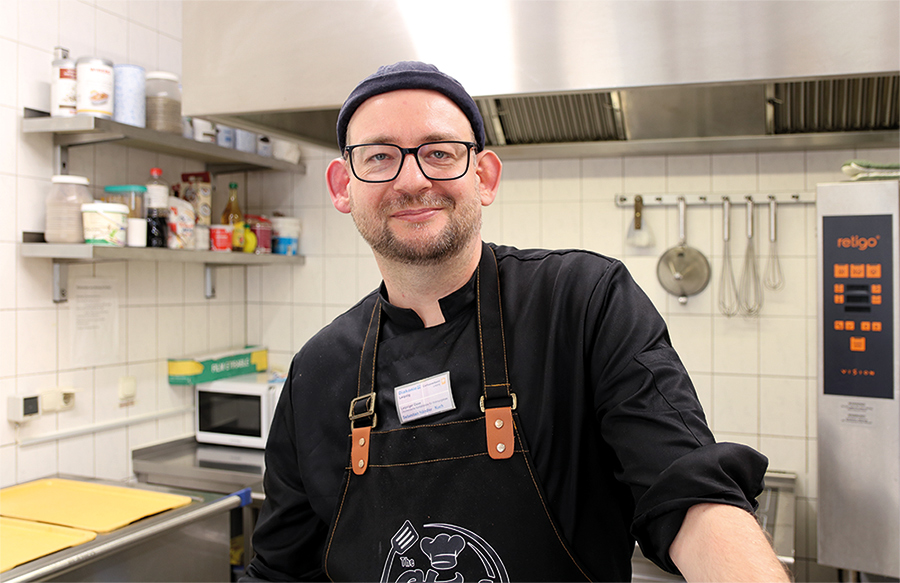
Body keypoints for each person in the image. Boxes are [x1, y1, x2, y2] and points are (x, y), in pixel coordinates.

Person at [244, 61, 791, 583]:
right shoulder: (317, 370)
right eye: (380, 156)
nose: (411, 179)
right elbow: (279, 571)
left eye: (439, 153)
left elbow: (687, 489)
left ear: (484, 177)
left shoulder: (582, 303)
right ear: (343, 186)